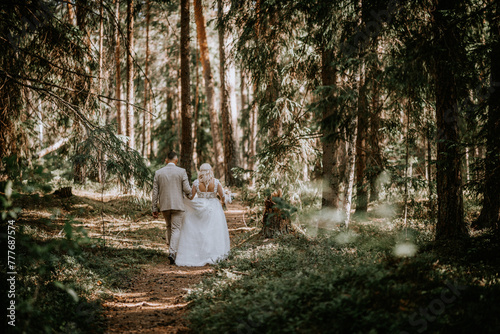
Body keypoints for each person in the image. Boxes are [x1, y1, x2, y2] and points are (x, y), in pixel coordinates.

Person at [175, 163, 231, 267]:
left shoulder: (196, 183)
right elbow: (222, 196)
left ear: (201, 171)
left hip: (200, 206)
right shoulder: (216, 182)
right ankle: (213, 254)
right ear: (210, 171)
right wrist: (224, 200)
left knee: (199, 230)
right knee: (213, 232)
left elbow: (191, 197)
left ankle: (198, 254)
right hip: (214, 207)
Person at [151, 151, 192, 265]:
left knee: (169, 227)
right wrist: (190, 196)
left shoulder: (158, 173)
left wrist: (154, 208)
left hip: (164, 205)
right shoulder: (181, 171)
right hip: (178, 205)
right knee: (176, 229)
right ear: (176, 160)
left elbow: (155, 192)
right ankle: (173, 252)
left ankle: (171, 251)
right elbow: (187, 189)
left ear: (166, 160)